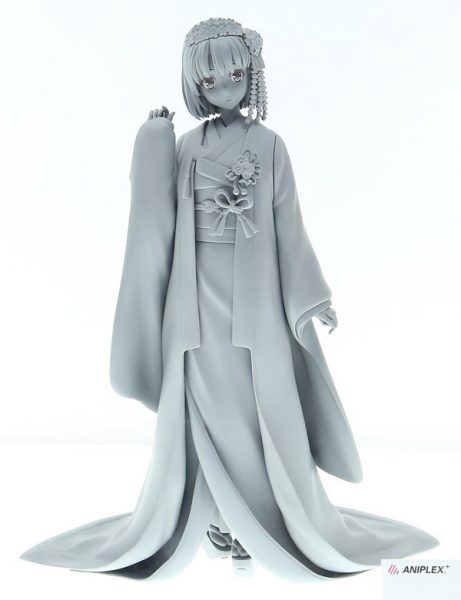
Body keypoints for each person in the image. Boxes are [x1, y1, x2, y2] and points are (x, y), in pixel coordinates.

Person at [20, 17, 440, 581]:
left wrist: (311, 295)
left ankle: (260, 520)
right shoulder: (186, 146)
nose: (223, 89)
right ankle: (214, 517)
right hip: (194, 299)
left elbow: (288, 224)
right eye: (210, 81)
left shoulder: (270, 146)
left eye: (235, 76)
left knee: (257, 408)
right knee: (202, 410)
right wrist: (151, 143)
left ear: (252, 75)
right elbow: (156, 221)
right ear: (196, 84)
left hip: (256, 300)